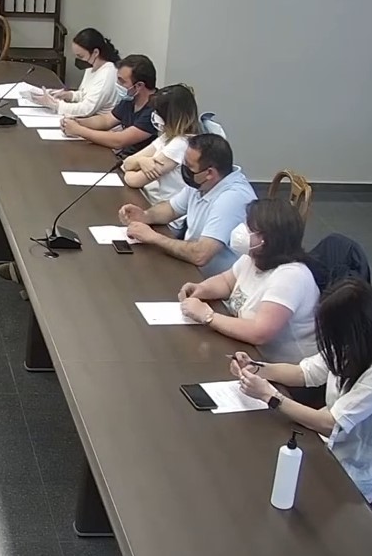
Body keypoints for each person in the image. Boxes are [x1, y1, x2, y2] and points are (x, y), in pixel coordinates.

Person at [231, 278, 372, 504]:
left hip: (353, 475)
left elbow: (330, 423)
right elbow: (303, 373)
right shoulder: (350, 346)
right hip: (326, 449)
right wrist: (256, 368)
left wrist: (270, 396)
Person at [178, 199, 319, 363]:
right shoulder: (253, 258)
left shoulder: (291, 277)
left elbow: (259, 333)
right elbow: (226, 282)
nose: (243, 231)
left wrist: (208, 316)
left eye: (250, 229)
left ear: (268, 239)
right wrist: (201, 289)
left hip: (283, 367)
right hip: (245, 349)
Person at [119, 133, 256, 277]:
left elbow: (201, 255)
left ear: (209, 173)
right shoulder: (201, 182)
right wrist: (145, 216)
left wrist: (154, 237)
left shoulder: (232, 198)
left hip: (218, 282)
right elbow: (171, 209)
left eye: (189, 167)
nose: (184, 170)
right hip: (191, 269)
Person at [59, 54, 158, 156]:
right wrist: (78, 122)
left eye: (122, 81)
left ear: (139, 86)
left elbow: (119, 141)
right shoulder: (130, 99)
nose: (118, 84)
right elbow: (106, 120)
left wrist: (78, 130)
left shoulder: (155, 110)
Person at [121, 84, 202, 205]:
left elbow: (134, 181)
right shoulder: (167, 137)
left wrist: (135, 165)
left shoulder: (180, 145)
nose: (154, 115)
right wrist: (140, 161)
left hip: (169, 212)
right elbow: (126, 163)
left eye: (157, 112)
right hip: (156, 202)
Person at [33, 28, 120, 117]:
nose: (78, 59)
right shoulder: (92, 67)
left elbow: (86, 109)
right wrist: (69, 95)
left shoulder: (107, 74)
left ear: (95, 52)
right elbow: (85, 94)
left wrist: (56, 105)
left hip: (98, 121)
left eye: (80, 56)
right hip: (89, 118)